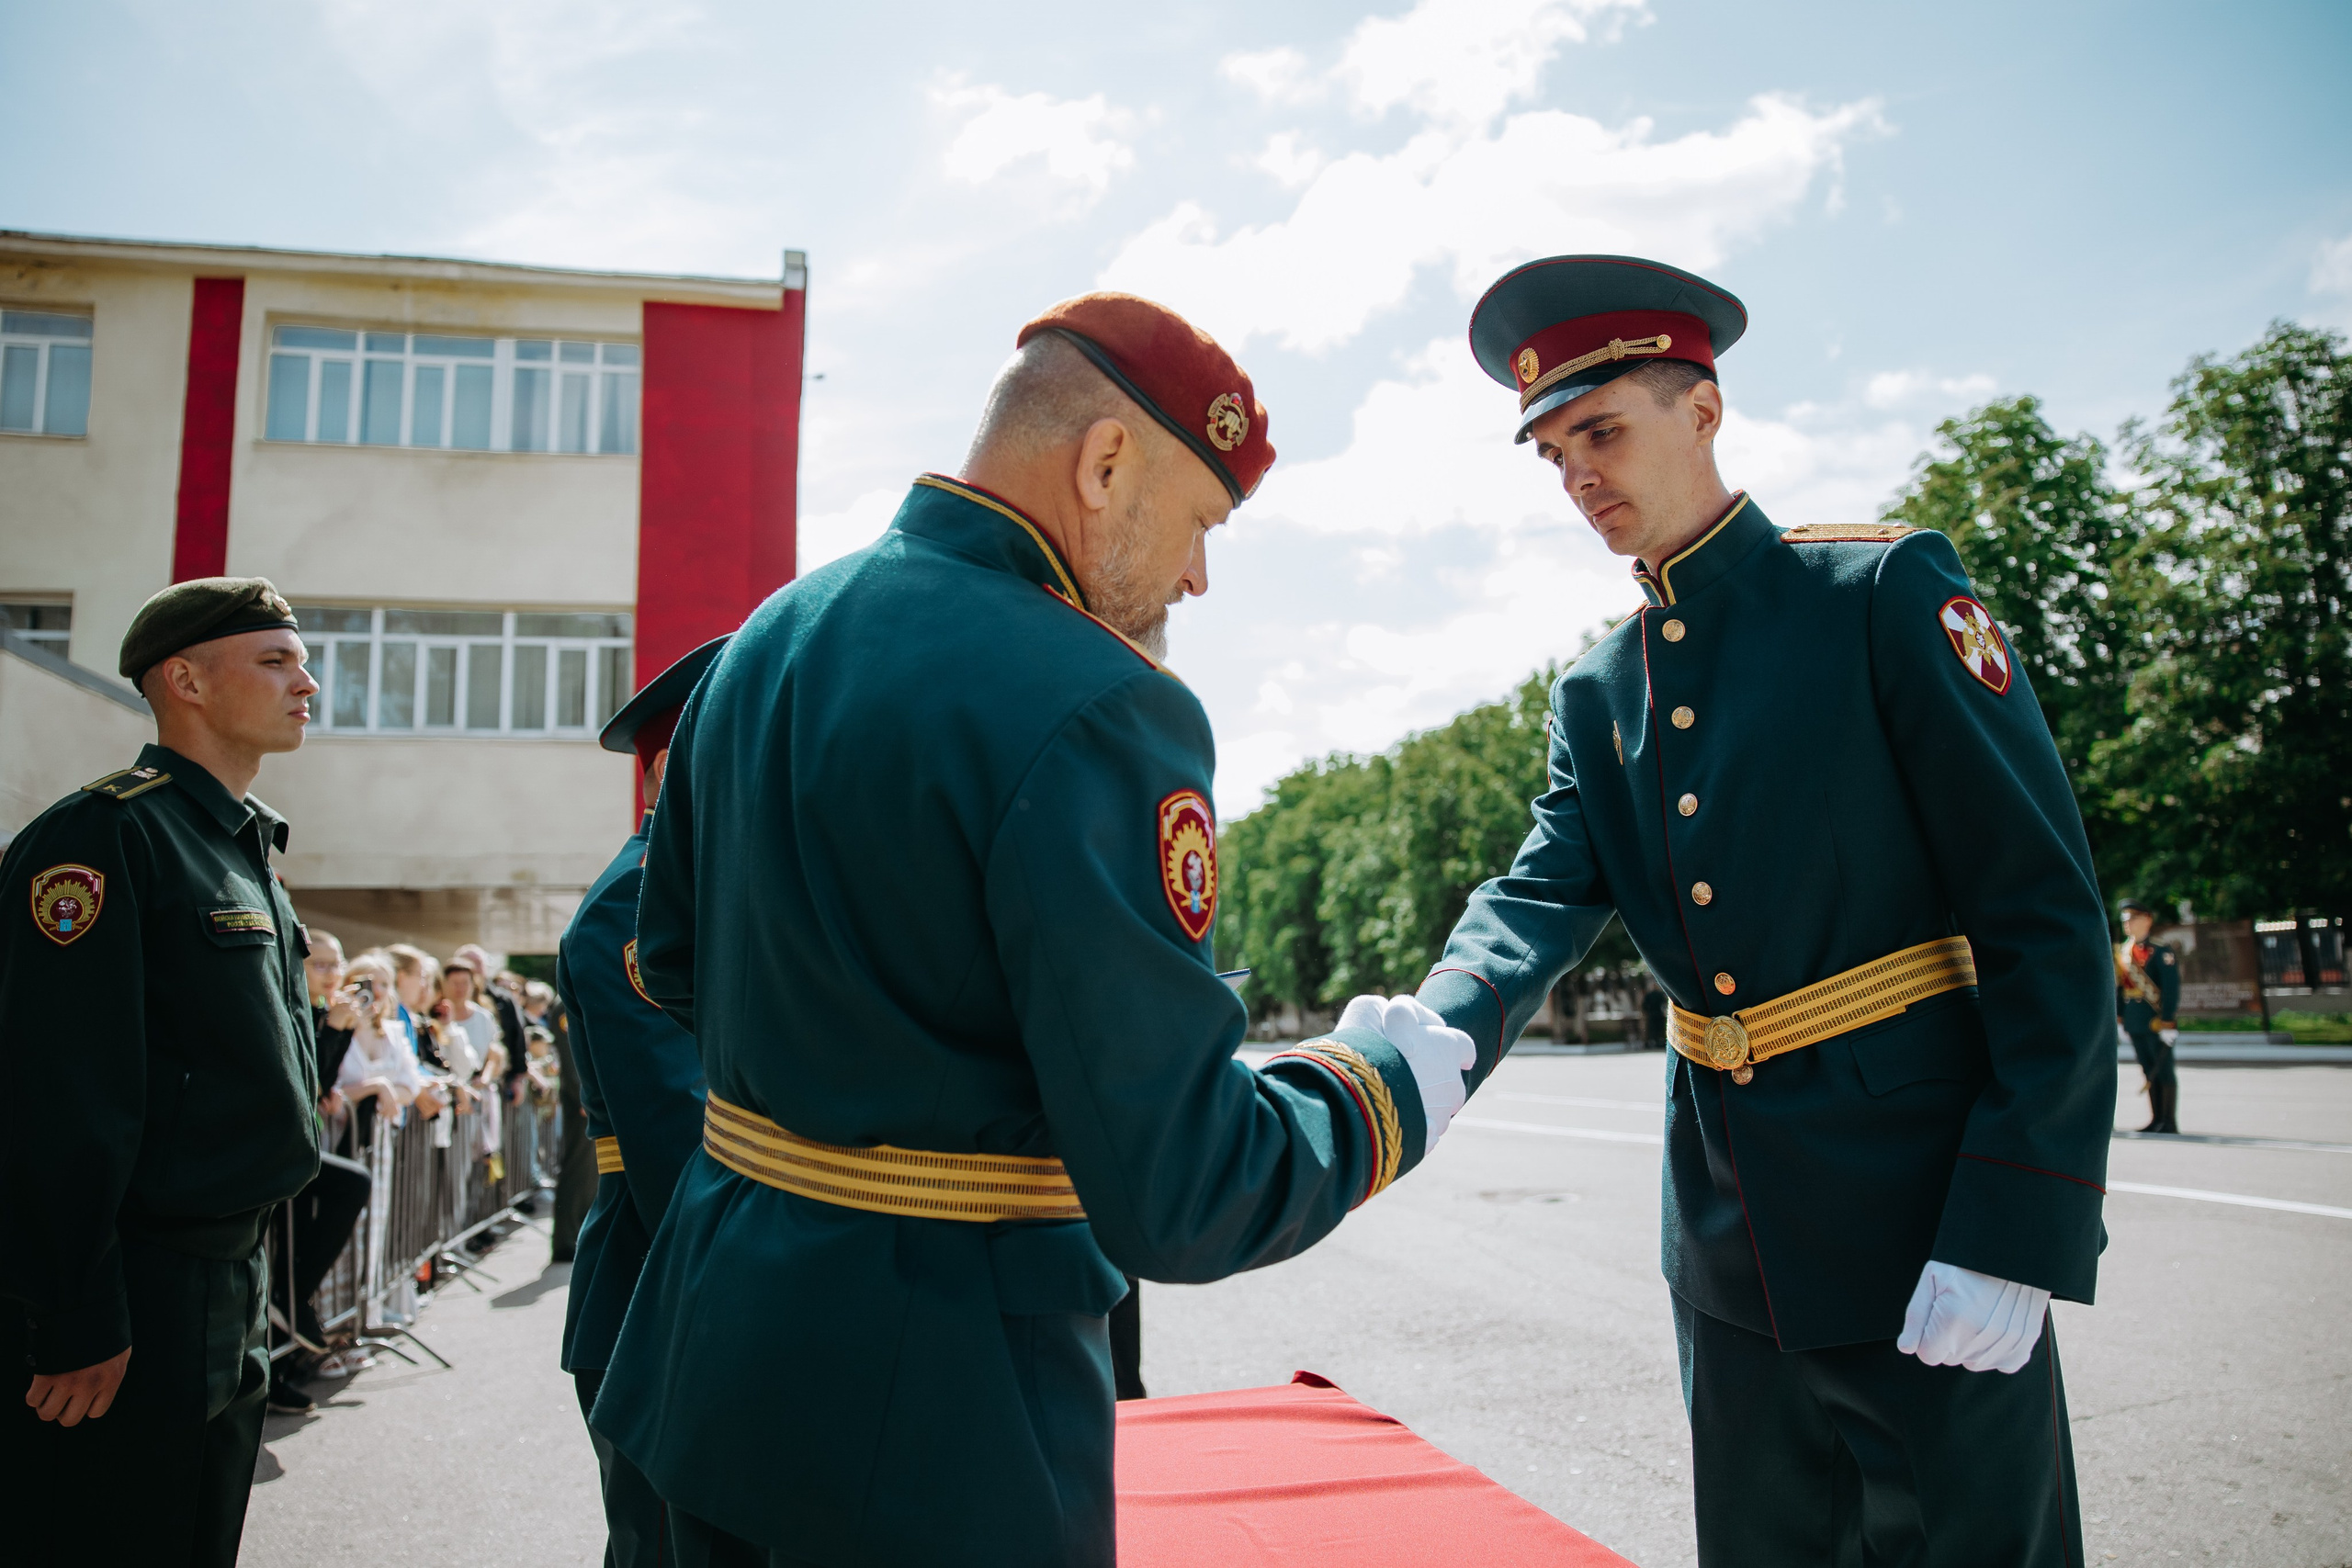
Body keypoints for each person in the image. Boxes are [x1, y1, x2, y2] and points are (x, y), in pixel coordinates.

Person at [593, 293, 1473, 1567]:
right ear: (1106, 463)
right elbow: (1184, 1190)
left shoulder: (767, 638)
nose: (1197, 576)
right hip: (938, 1420)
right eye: (1201, 523)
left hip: (710, 1356)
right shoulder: (1098, 699)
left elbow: (672, 965)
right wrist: (1379, 1088)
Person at [1332, 257, 2115, 1566]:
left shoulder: (1878, 595)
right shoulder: (1600, 691)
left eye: (1601, 432)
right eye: (1553, 454)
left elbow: (2042, 913)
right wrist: (1438, 1023)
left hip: (1926, 1220)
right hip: (1726, 1235)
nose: (1577, 476)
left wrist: (2017, 1220)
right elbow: (1536, 892)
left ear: (1702, 409)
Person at [0, 577, 324, 1566]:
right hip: (141, 1281)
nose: (306, 682)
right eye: (275, 660)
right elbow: (58, 1091)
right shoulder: (106, 835)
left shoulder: (239, 843)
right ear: (184, 680)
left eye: (302, 661)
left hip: (233, 1269)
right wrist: (75, 1310)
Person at [554, 636, 726, 1566]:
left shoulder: (703, 889)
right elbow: (675, 1127)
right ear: (669, 771)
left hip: (690, 1270)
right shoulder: (640, 899)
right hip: (664, 1279)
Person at [268, 929, 375, 1414]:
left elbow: (321, 1082)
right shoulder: (291, 1007)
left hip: (297, 1146)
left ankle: (290, 1315)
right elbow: (303, 1081)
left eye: (337, 964)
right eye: (321, 965)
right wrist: (333, 1029)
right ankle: (288, 1311)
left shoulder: (321, 1011)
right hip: (273, 1151)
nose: (333, 974)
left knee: (339, 1196)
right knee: (347, 1187)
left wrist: (338, 1028)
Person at [2115, 898, 2181, 1134]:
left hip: (2156, 1022)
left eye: (2132, 919)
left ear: (2147, 920)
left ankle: (2168, 1121)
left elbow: (2171, 989)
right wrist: (2120, 1019)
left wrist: (2168, 1022)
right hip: (2135, 1021)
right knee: (2147, 1069)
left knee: (2163, 1069)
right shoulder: (2124, 951)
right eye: (2125, 920)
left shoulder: (2161, 951)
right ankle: (2156, 1119)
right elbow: (2120, 989)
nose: (2127, 924)